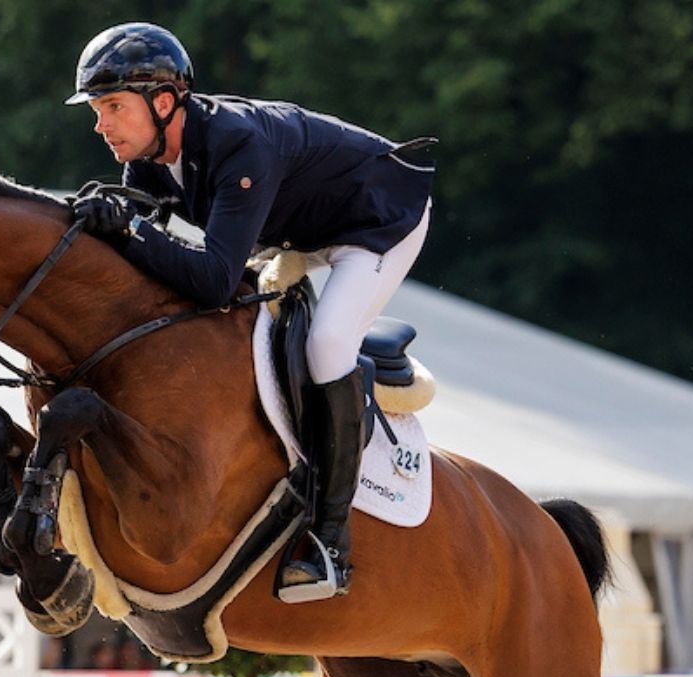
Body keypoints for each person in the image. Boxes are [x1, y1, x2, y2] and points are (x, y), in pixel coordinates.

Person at [64, 22, 435, 604]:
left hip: (376, 222)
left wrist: (129, 228)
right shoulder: (146, 160)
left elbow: (211, 279)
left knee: (328, 345)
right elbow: (147, 275)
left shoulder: (239, 144)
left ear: (164, 103)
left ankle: (330, 539)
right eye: (96, 107)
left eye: (112, 105)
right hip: (296, 230)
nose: (99, 123)